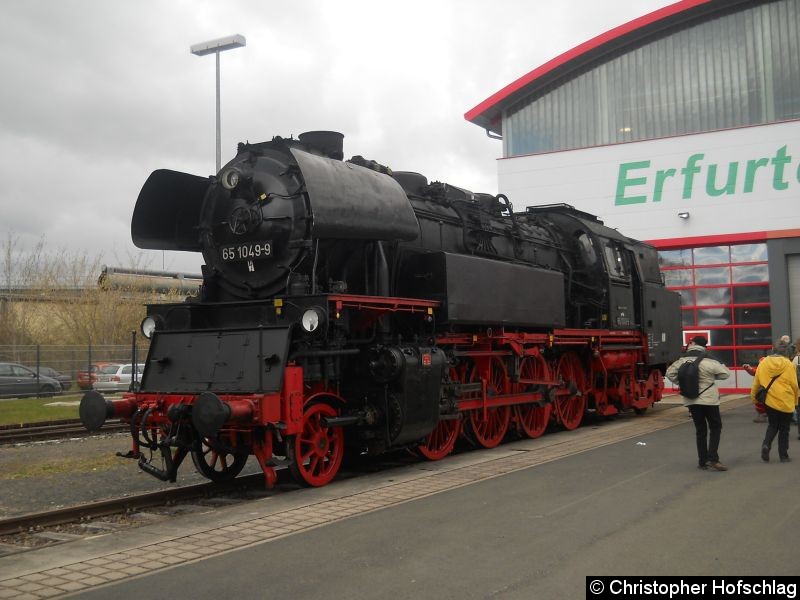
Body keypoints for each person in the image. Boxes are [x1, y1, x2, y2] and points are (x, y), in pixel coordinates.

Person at [666, 335, 731, 471]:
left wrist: (684, 383)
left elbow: (670, 373)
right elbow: (725, 374)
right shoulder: (710, 359)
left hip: (691, 400)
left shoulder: (682, 359)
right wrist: (712, 377)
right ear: (704, 346)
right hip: (709, 400)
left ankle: (702, 461)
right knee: (715, 427)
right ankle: (713, 459)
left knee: (700, 430)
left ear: (693, 343)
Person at [751, 340, 799, 463]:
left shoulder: (763, 363)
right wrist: (795, 400)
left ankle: (766, 445)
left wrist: (754, 398)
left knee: (772, 425)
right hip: (786, 400)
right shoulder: (788, 364)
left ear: (773, 350)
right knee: (784, 428)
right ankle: (783, 455)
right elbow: (794, 384)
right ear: (785, 351)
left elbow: (756, 382)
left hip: (770, 400)